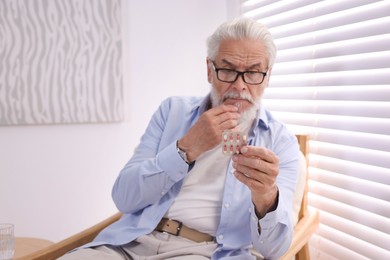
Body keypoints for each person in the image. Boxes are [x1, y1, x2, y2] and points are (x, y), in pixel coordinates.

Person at [60, 17, 300, 260]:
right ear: (209, 70)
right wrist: (186, 149)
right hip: (130, 241)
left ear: (267, 76)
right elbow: (124, 198)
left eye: (252, 73)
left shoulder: (282, 143)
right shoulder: (172, 111)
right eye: (227, 70)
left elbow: (275, 251)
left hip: (204, 252)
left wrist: (267, 197)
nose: (239, 86)